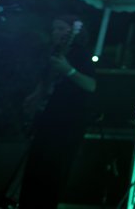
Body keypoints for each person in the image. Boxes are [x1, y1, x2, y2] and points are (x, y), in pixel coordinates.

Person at [18, 14, 97, 209]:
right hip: (46, 121)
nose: (56, 32)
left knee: (52, 174)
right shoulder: (52, 54)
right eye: (54, 28)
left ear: (73, 32)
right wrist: (34, 97)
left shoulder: (80, 54)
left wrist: (68, 70)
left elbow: (91, 85)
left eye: (61, 28)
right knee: (33, 171)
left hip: (67, 125)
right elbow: (45, 85)